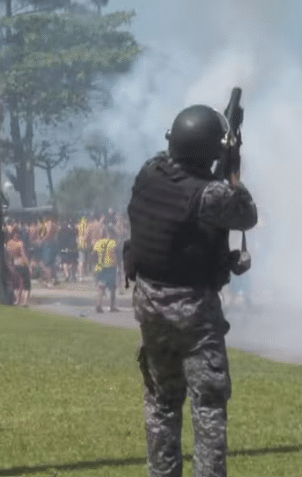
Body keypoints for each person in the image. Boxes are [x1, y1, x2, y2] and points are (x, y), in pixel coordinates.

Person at [128, 104, 257, 477]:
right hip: (194, 312)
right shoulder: (212, 195)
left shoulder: (148, 173)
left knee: (162, 402)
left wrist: (217, 148)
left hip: (150, 303)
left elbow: (184, 174)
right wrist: (232, 166)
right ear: (209, 153)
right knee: (209, 405)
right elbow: (245, 213)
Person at [93, 226, 118, 313]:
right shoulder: (112, 243)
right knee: (112, 287)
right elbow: (113, 254)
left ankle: (98, 304)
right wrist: (117, 265)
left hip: (100, 267)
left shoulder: (98, 243)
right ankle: (112, 306)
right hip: (110, 266)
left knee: (101, 286)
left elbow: (94, 255)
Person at [5, 227, 31, 307]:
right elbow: (23, 254)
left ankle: (20, 301)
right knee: (24, 283)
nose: (17, 235)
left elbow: (8, 254)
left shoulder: (9, 243)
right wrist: (28, 264)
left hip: (15, 264)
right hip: (19, 264)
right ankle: (23, 301)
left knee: (21, 283)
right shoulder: (19, 243)